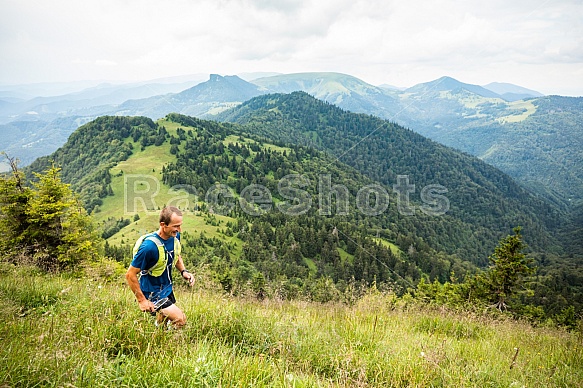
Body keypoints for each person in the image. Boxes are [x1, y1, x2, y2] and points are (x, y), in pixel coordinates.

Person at [125, 206, 194, 328]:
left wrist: (183, 271)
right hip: (153, 291)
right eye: (176, 226)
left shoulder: (174, 236)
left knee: (164, 321)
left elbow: (176, 255)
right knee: (180, 319)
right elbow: (130, 274)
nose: (179, 230)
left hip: (166, 286)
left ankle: (159, 337)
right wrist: (142, 301)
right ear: (163, 224)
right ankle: (172, 344)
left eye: (180, 225)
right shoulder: (148, 247)